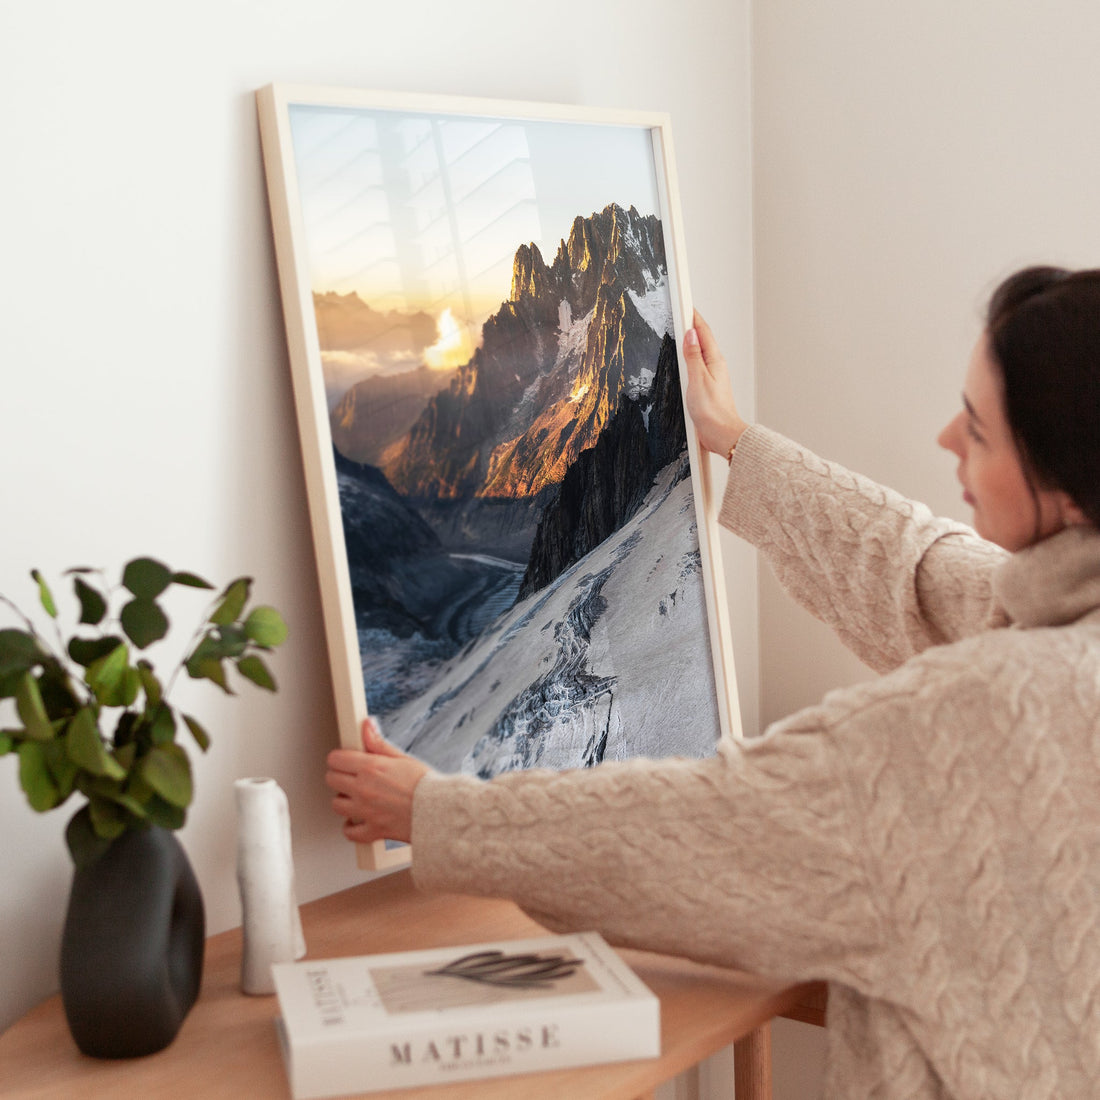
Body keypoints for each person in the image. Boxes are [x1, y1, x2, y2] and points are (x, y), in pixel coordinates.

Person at [326, 266, 1100, 1099]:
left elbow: (709, 828)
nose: (948, 437)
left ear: (1065, 487)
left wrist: (435, 813)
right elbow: (921, 571)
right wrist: (734, 439)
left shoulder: (983, 716)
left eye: (980, 432)